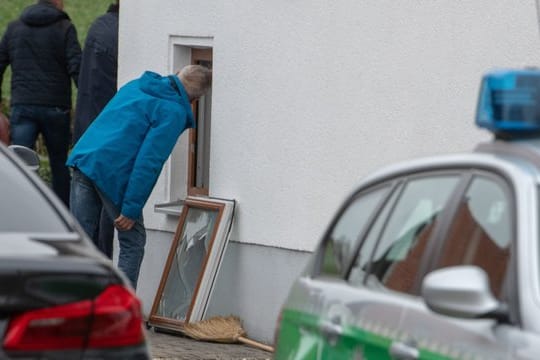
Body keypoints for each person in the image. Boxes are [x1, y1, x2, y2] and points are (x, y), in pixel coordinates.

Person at [67, 65, 212, 289]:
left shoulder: (137, 86)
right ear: (196, 98)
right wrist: (131, 208)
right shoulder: (172, 111)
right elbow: (149, 162)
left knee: (80, 241)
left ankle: (72, 304)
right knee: (132, 242)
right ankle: (120, 312)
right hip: (111, 172)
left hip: (85, 160)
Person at [0, 0, 81, 206]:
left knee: (19, 164)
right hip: (56, 108)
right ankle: (62, 217)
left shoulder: (14, 28)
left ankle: (16, 209)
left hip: (23, 106)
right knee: (59, 166)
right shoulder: (65, 28)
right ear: (56, 2)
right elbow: (77, 68)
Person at [73, 1, 120, 259]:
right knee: (104, 217)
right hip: (106, 139)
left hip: (85, 133)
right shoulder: (119, 34)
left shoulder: (99, 27)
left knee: (82, 220)